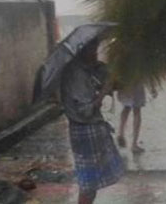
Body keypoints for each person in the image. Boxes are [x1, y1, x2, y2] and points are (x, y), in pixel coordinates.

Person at [60, 39, 124, 203]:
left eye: (96, 50)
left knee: (92, 183)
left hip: (95, 129)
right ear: (83, 52)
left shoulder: (90, 68)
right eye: (93, 51)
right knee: (88, 184)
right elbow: (85, 110)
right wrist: (103, 92)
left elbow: (110, 80)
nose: (96, 55)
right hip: (84, 132)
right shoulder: (75, 74)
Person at [116, 82, 156, 153]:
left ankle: (121, 133)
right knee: (137, 110)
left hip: (125, 81)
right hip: (137, 83)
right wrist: (152, 88)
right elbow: (146, 73)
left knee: (126, 107)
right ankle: (134, 144)